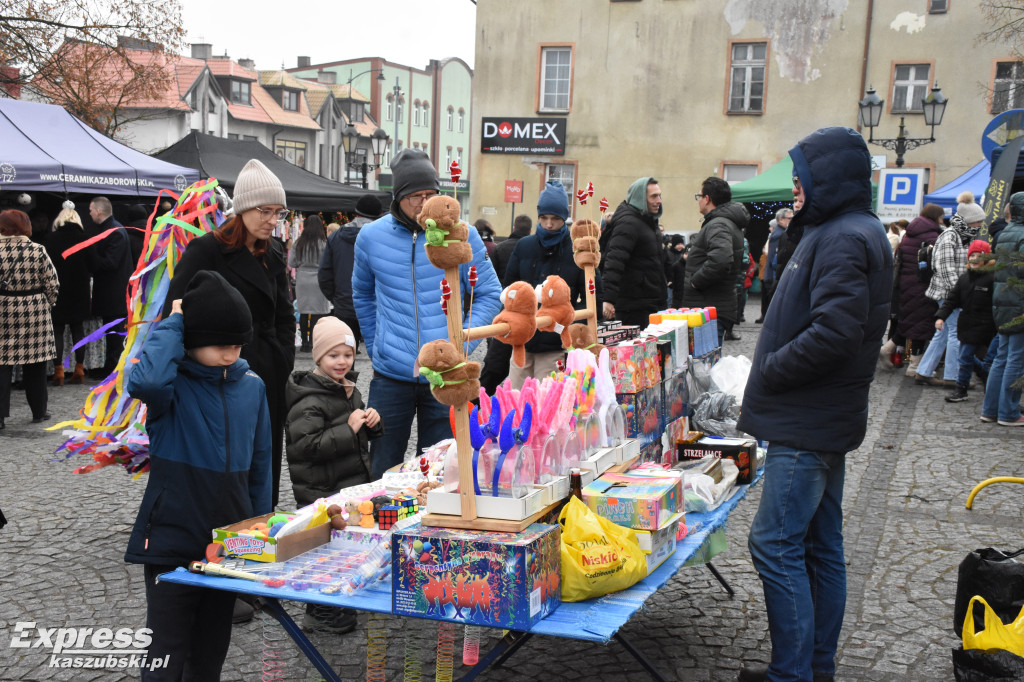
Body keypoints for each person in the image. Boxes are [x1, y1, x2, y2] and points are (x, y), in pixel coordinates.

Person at [737, 126, 892, 682]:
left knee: (774, 545)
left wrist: (770, 369)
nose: (793, 186)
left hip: (806, 422)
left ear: (825, 179)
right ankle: (812, 668)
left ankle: (792, 674)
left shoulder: (846, 236)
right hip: (819, 419)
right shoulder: (840, 229)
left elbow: (835, 333)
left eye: (800, 175)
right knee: (820, 545)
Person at [125, 270, 271, 681]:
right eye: (220, 345)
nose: (231, 353)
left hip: (226, 541)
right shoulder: (170, 389)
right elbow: (147, 378)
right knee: (166, 645)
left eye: (237, 344)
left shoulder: (253, 386)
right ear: (190, 342)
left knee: (211, 646)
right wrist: (174, 321)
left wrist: (259, 528)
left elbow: (261, 462)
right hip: (172, 534)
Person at [352, 149, 501, 478]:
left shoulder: (464, 235)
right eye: (414, 196)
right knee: (382, 469)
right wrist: (378, 347)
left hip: (448, 372)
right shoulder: (370, 238)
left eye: (430, 194)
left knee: (445, 470)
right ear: (397, 197)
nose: (423, 204)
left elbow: (490, 293)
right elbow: (362, 294)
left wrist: (460, 342)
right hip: (392, 374)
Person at [163, 159, 295, 509]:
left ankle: (260, 523)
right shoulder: (207, 249)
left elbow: (285, 313)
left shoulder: (274, 251)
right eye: (265, 211)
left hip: (267, 370)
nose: (272, 220)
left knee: (265, 457)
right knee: (226, 458)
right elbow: (175, 310)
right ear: (242, 209)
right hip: (218, 372)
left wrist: (283, 357)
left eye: (278, 213)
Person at [285, 316, 382, 632]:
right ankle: (319, 612)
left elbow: (359, 436)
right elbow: (306, 448)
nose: (342, 362)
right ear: (318, 356)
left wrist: (371, 422)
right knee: (324, 551)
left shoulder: (347, 388)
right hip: (320, 490)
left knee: (346, 546)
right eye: (334, 355)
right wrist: (348, 428)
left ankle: (339, 600)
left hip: (350, 486)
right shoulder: (308, 400)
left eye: (348, 355)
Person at [501, 180, 597, 388]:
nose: (549, 224)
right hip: (523, 341)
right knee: (517, 400)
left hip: (555, 343)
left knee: (546, 403)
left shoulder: (577, 251)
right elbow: (508, 288)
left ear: (564, 219)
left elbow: (592, 297)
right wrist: (513, 319)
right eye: (544, 218)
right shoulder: (524, 246)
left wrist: (564, 321)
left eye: (555, 218)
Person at [913, 197, 985, 387]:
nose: (980, 224)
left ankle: (924, 371)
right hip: (948, 292)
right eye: (978, 220)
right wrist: (961, 294)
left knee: (944, 333)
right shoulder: (950, 236)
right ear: (968, 220)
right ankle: (952, 377)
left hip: (954, 292)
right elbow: (945, 269)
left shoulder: (965, 236)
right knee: (955, 333)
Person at [0, 209, 59, 429]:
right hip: (34, 310)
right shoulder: (37, 250)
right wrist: (46, 305)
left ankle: (0, 418)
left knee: (1, 364)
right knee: (36, 364)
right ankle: (38, 411)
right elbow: (52, 284)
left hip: (2, 309)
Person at [683, 176, 747, 344]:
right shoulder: (723, 222)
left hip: (709, 309)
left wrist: (696, 281)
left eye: (699, 197)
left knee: (706, 365)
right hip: (714, 306)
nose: (698, 201)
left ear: (707, 199)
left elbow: (721, 260)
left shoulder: (718, 224)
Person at [318, 194, 382, 355]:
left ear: (356, 213)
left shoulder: (336, 237)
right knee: (382, 358)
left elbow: (324, 274)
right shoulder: (382, 238)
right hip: (377, 307)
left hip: (345, 304)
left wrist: (337, 298)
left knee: (343, 356)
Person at [981, 191, 1024, 426]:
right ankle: (1008, 412)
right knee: (1016, 359)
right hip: (1018, 304)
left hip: (1003, 302)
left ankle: (990, 409)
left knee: (1002, 357)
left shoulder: (1006, 232)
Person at [601, 177, 666, 326]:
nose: (659, 200)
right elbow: (614, 262)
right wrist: (608, 299)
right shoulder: (629, 223)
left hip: (648, 303)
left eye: (659, 195)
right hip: (633, 307)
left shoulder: (648, 221)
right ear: (641, 199)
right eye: (654, 196)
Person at [938, 240, 997, 403]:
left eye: (980, 256)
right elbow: (952, 299)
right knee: (966, 357)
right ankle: (976, 377)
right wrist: (941, 316)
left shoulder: (992, 279)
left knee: (966, 357)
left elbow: (997, 303)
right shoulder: (964, 278)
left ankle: (963, 387)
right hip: (966, 325)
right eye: (973, 255)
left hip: (984, 326)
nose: (976, 259)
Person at [44, 205, 94, 385]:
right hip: (79, 289)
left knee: (57, 329)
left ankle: (58, 372)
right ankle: (79, 369)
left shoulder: (50, 239)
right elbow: (93, 264)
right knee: (77, 329)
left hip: (57, 289)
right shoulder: (85, 238)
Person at [894, 203, 945, 376]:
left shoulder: (909, 233)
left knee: (911, 320)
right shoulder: (932, 235)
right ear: (936, 216)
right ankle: (914, 365)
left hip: (906, 283)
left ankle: (887, 351)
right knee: (920, 325)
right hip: (923, 284)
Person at [88, 196, 134, 377]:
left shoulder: (113, 231)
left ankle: (113, 369)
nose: (89, 213)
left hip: (114, 293)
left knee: (114, 333)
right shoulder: (113, 229)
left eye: (91, 210)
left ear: (99, 211)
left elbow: (110, 263)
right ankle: (111, 366)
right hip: (113, 293)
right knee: (112, 332)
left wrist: (91, 254)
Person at [290, 214, 331, 353]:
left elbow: (292, 263)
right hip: (318, 279)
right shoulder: (324, 244)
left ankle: (305, 343)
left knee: (303, 310)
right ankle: (313, 341)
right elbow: (329, 263)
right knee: (317, 312)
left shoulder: (298, 243)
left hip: (303, 279)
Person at [756, 208, 792, 323]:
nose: (792, 220)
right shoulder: (780, 234)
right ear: (781, 220)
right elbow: (776, 259)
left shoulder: (778, 233)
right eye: (789, 218)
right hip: (773, 275)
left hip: (771, 275)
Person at [490, 214, 533, 283]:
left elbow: (491, 274)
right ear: (530, 230)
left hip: (504, 290)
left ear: (514, 228)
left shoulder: (499, 248)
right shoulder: (535, 248)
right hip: (528, 290)